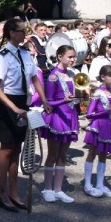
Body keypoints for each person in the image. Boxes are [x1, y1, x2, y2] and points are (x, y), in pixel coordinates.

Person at [0, 18, 52, 212]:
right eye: (20, 31)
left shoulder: (25, 53)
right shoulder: (3, 55)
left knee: (17, 147)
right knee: (6, 149)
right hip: (8, 102)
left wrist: (43, 100)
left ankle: (14, 191)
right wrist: (12, 108)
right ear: (11, 32)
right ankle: (2, 192)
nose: (24, 34)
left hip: (23, 102)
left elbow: (34, 78)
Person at [39, 45, 79, 204]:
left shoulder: (71, 74)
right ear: (60, 56)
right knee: (53, 154)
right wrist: (64, 100)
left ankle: (58, 189)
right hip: (57, 117)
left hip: (70, 116)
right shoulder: (53, 76)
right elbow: (48, 102)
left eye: (74, 56)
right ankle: (47, 189)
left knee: (63, 155)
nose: (73, 59)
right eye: (69, 56)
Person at [83, 65, 111, 197]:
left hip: (110, 126)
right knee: (92, 153)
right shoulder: (97, 93)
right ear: (103, 77)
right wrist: (105, 112)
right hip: (98, 126)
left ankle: (100, 184)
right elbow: (89, 114)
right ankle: (87, 184)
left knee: (103, 155)